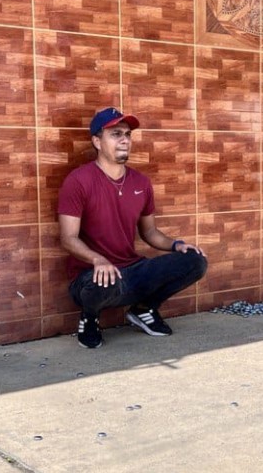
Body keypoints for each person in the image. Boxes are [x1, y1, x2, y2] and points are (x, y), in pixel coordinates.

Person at [58, 108, 208, 349]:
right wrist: (98, 259)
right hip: (90, 278)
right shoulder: (78, 181)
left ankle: (144, 308)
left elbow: (149, 233)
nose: (125, 139)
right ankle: (90, 319)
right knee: (101, 282)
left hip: (132, 270)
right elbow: (68, 238)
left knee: (195, 261)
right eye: (116, 134)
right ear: (97, 141)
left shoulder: (141, 182)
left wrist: (176, 245)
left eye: (127, 134)